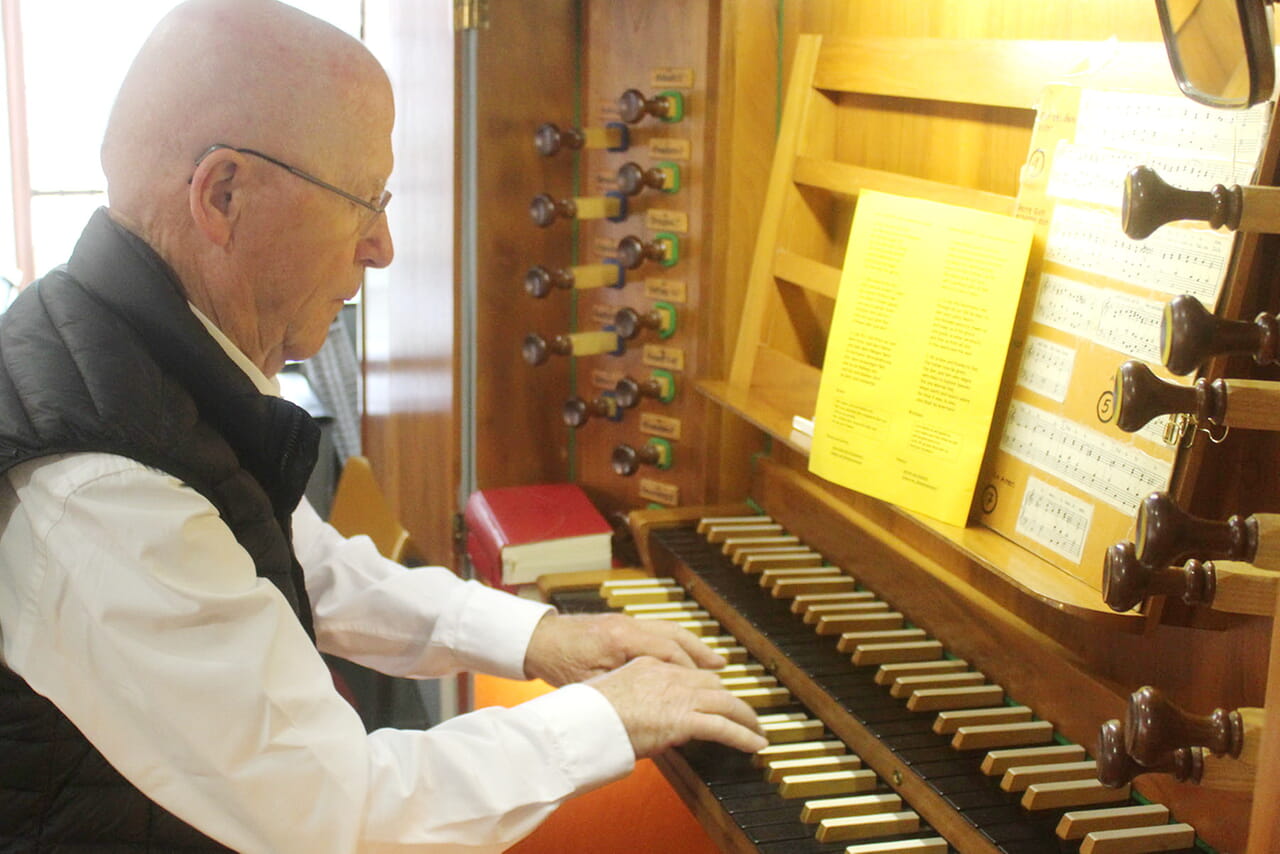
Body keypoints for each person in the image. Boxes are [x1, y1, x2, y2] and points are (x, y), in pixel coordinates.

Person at [0, 1, 766, 852]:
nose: (384, 246)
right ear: (223, 194)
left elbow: (305, 567)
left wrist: (542, 637)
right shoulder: (103, 487)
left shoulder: (133, 350)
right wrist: (606, 720)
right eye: (363, 200)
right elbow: (342, 820)